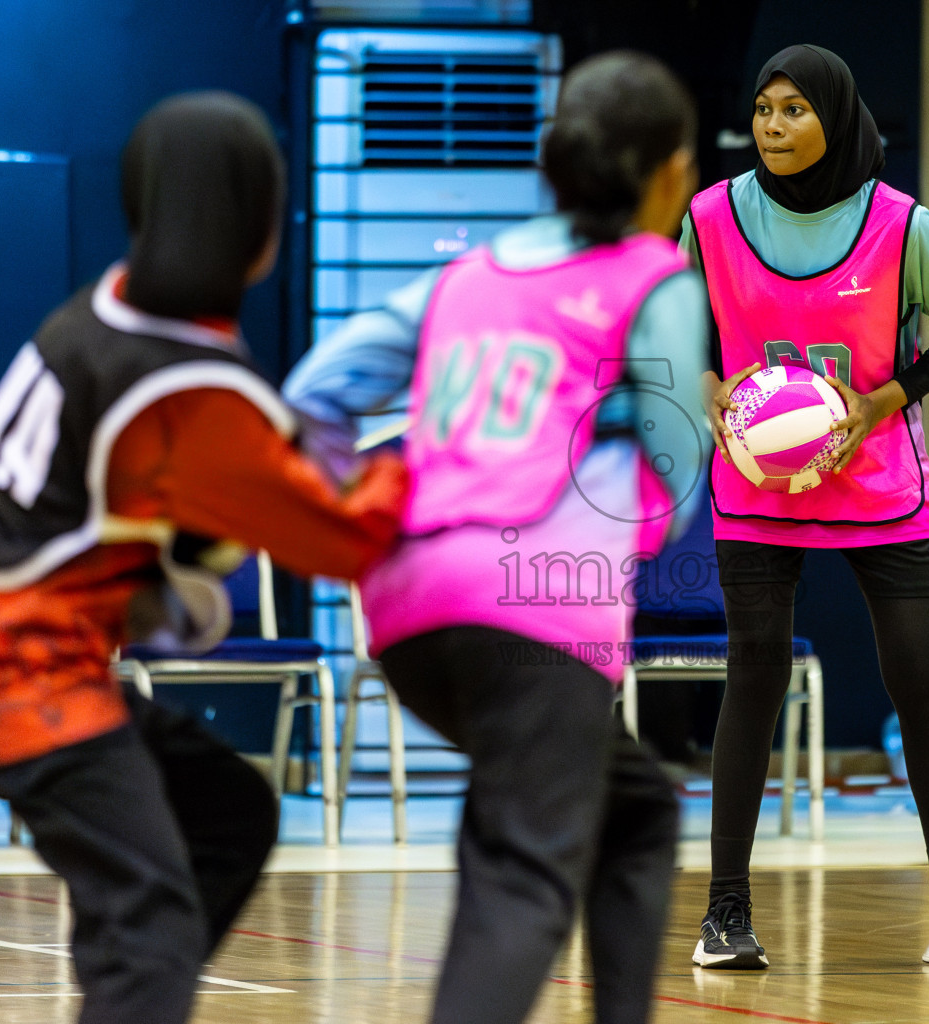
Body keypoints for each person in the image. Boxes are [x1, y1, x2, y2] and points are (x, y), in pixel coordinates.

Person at [0, 92, 408, 1024]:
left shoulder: (109, 309)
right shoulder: (189, 387)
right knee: (153, 916)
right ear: (261, 227)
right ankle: (135, 979)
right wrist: (441, 454)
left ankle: (127, 990)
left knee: (225, 815)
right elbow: (341, 539)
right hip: (13, 671)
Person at [283, 51, 708, 1024]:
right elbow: (679, 456)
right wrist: (624, 531)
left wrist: (370, 503)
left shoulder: (464, 277)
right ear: (670, 172)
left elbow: (313, 394)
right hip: (536, 608)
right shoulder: (655, 278)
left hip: (406, 607)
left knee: (634, 809)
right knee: (520, 879)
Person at [685, 44, 929, 970]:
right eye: (762, 108)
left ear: (836, 116)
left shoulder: (901, 223)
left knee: (920, 682)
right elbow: (671, 322)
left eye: (794, 109)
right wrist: (706, 380)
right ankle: (724, 917)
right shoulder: (711, 216)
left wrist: (886, 399)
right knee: (754, 678)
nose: (773, 126)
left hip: (881, 486)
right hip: (760, 488)